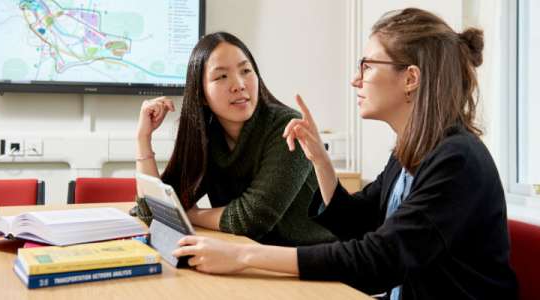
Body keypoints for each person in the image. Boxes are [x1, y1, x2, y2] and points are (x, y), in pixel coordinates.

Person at [172, 8, 518, 299]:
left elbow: (379, 260)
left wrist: (246, 255)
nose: (356, 79)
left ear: (410, 78)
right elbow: (358, 222)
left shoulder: (456, 161)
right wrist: (321, 162)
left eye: (367, 66)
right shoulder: (410, 150)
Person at [135, 32, 336, 246]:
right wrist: (143, 138)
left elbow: (252, 219)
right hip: (252, 257)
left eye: (246, 71)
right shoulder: (208, 136)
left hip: (313, 261)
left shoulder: (289, 128)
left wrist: (189, 214)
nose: (239, 84)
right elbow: (151, 211)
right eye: (221, 76)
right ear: (201, 95)